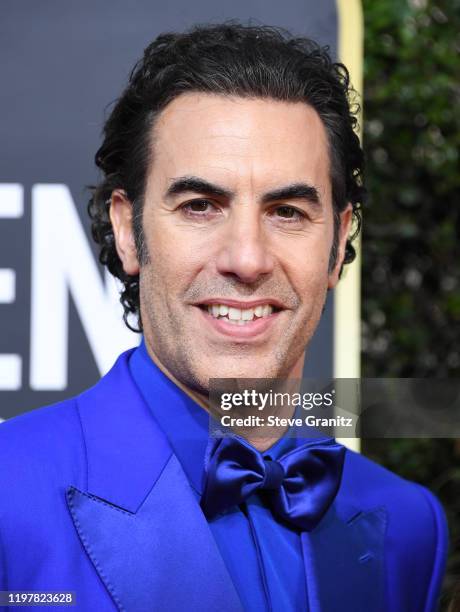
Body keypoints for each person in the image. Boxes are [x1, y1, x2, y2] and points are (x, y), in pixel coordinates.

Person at [0, 23, 448, 612]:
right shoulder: (10, 493)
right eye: (201, 206)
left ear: (339, 244)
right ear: (127, 233)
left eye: (287, 211)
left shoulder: (410, 528)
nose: (247, 259)